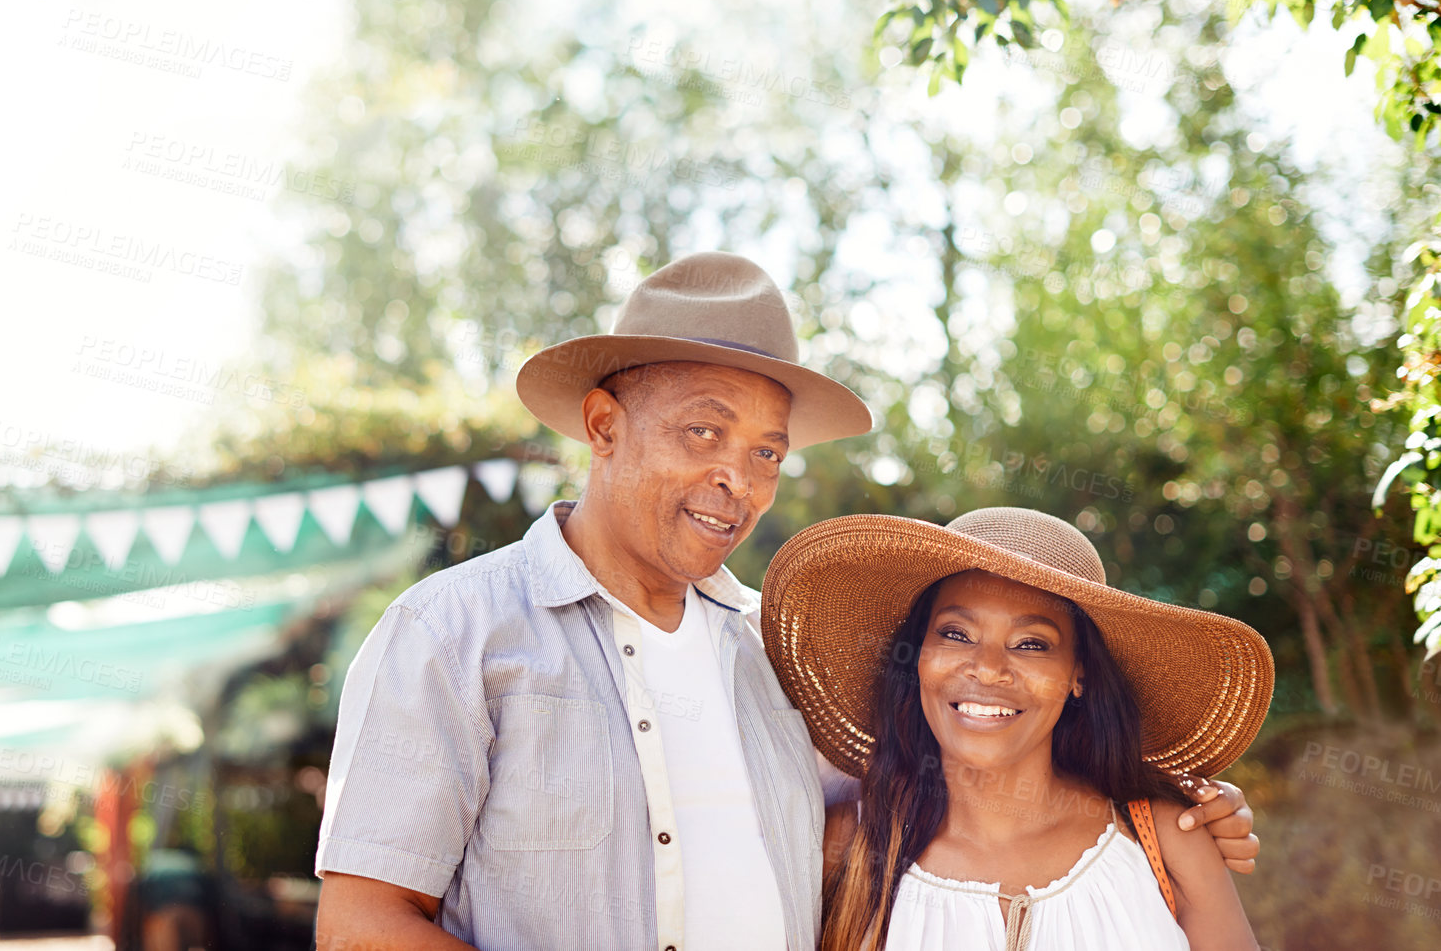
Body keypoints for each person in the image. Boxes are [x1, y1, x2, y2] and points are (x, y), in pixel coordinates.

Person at [313, 252, 1260, 951]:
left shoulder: (782, 655)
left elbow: (957, 779)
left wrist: (1180, 818)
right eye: (702, 431)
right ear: (603, 425)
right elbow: (361, 925)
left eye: (766, 450)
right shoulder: (452, 632)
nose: (737, 479)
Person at [761, 507, 1272, 951]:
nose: (987, 669)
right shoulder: (843, 845)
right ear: (918, 657)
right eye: (956, 634)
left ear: (1079, 674)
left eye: (1032, 643)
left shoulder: (1165, 838)